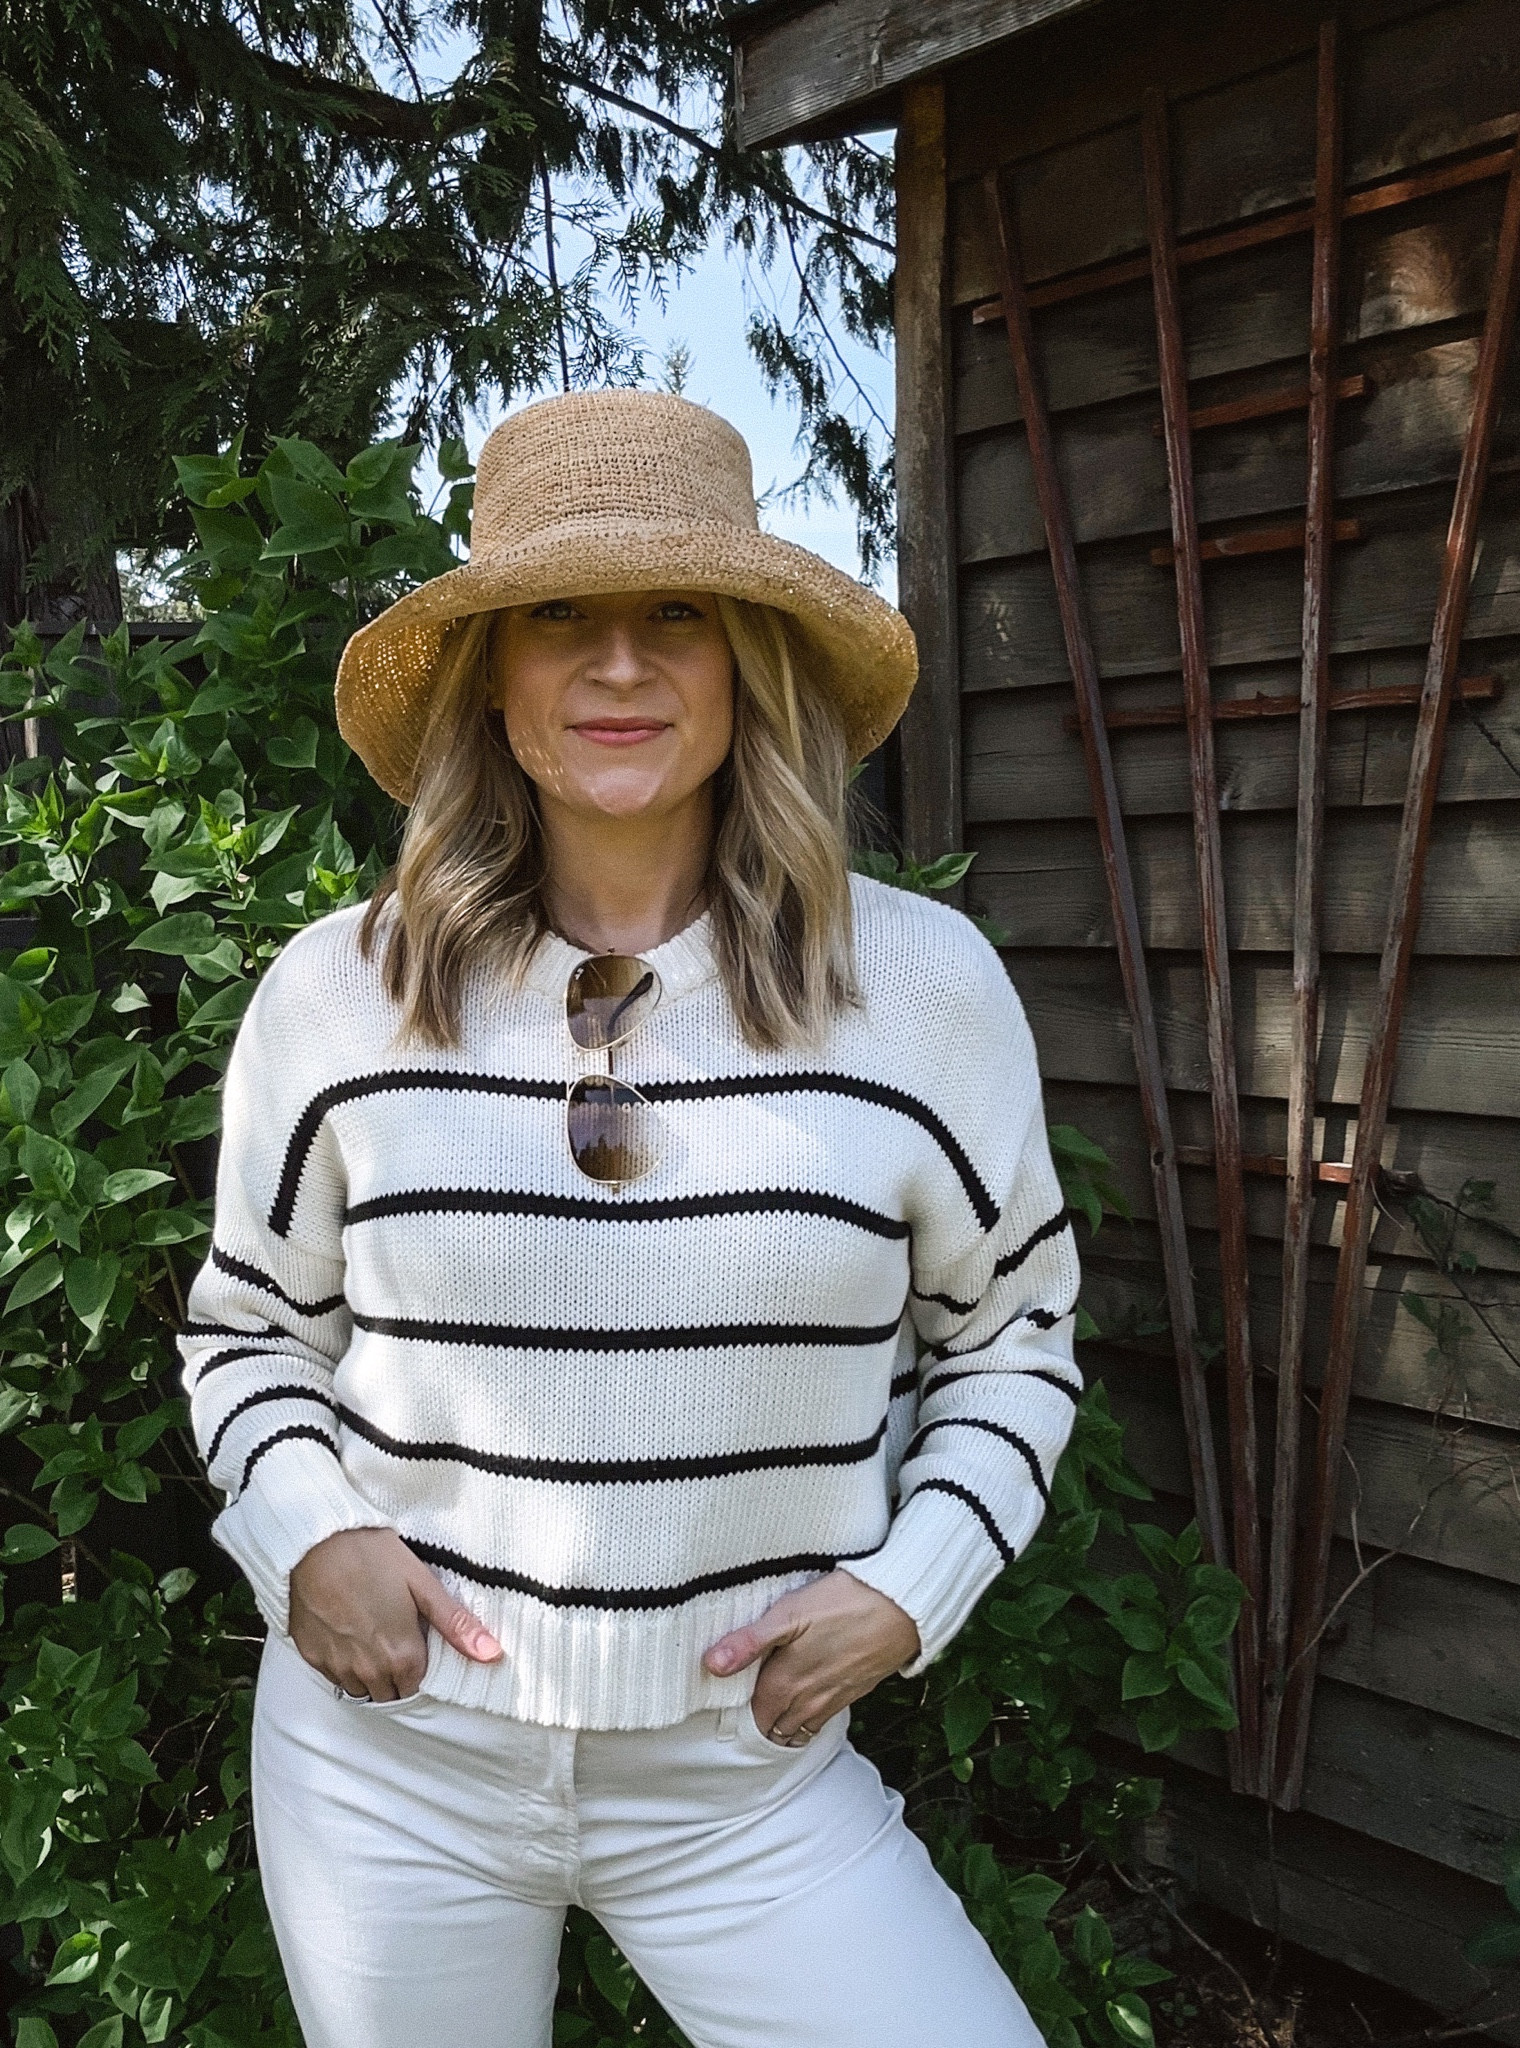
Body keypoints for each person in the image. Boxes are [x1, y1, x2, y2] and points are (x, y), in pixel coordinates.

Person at [179, 390, 1082, 2048]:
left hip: (744, 1786)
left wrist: (916, 1581)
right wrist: (308, 1533)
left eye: (676, 611)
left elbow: (1015, 1335)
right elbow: (247, 1333)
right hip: (389, 1774)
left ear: (749, 660)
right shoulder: (336, 992)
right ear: (489, 678)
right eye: (555, 618)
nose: (616, 666)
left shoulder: (923, 990)